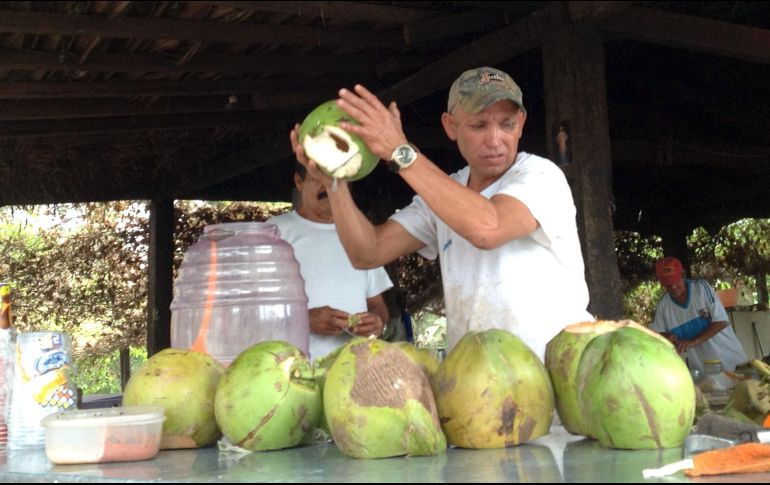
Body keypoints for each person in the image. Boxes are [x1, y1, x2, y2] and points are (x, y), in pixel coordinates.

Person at [289, 66, 593, 361]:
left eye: (507, 124)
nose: (495, 139)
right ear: (450, 126)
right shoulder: (444, 194)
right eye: (479, 125)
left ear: (522, 123)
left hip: (553, 379)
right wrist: (334, 182)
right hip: (477, 385)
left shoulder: (541, 176)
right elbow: (367, 252)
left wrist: (400, 151)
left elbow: (489, 228)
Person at [268, 162, 393, 359]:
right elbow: (254, 312)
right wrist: (304, 321)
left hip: (356, 368)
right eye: (318, 178)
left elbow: (378, 305)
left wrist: (377, 321)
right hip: (292, 372)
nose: (328, 186)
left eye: (337, 179)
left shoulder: (360, 235)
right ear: (299, 181)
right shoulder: (274, 233)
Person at [651, 256, 747, 374]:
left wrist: (692, 342)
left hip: (732, 364)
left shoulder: (701, 288)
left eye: (676, 282)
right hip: (704, 374)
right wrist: (667, 337)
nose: (673, 288)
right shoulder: (663, 306)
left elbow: (721, 321)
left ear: (682, 275)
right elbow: (656, 334)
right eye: (668, 285)